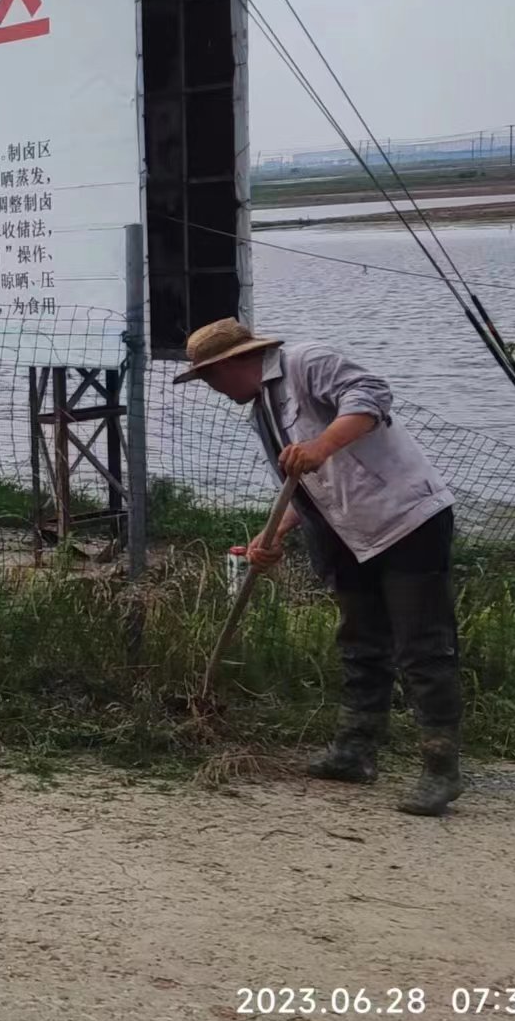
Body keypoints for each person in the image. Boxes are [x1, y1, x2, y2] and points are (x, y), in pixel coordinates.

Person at [176, 318, 464, 815]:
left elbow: (372, 395)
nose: (211, 389)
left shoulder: (306, 363)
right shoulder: (261, 412)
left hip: (405, 519)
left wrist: (322, 445)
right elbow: (302, 487)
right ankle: (355, 752)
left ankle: (440, 769)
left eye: (209, 377)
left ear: (232, 364)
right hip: (343, 535)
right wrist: (273, 535)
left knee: (422, 646)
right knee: (360, 642)